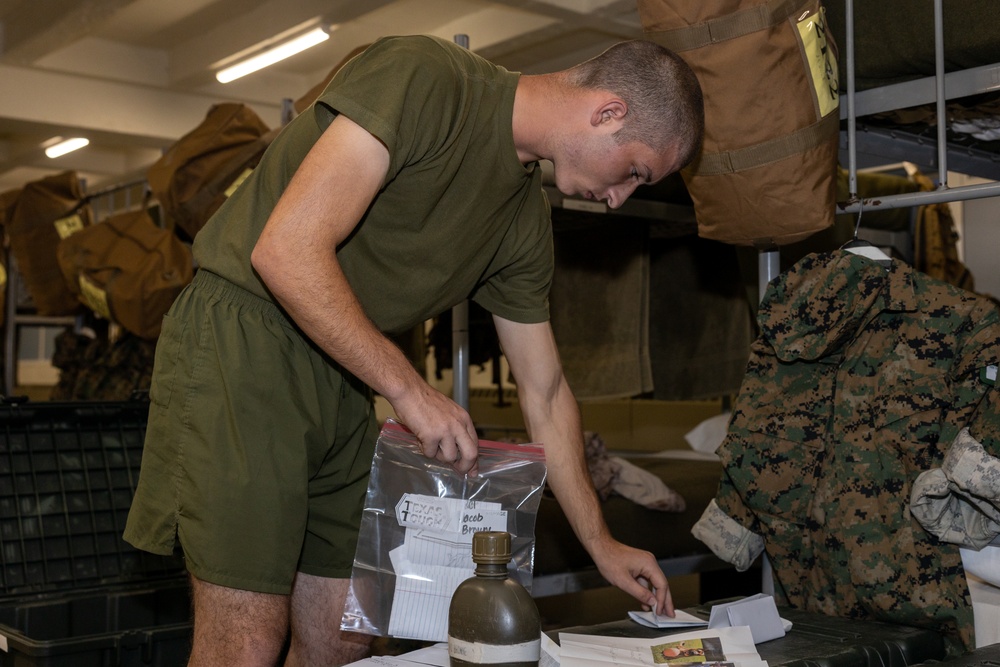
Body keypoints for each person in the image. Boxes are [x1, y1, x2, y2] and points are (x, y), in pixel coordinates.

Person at [124, 33, 704, 666]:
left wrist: (602, 543)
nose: (621, 196)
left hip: (346, 373)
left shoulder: (523, 221)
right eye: (636, 172)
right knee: (247, 641)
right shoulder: (424, 79)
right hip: (246, 338)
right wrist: (409, 390)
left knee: (347, 636)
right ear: (608, 112)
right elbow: (285, 252)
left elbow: (547, 391)